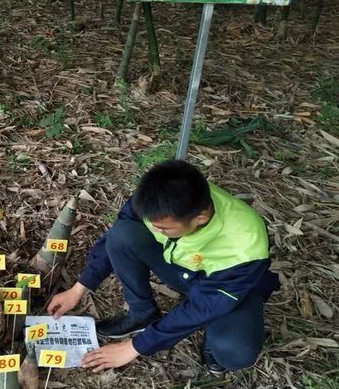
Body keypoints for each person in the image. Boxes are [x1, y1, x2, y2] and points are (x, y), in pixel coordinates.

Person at [47, 160, 279, 375]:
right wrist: (79, 289)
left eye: (164, 229)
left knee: (235, 352)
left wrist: (135, 347)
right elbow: (118, 235)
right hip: (181, 268)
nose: (155, 231)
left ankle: (215, 335)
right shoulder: (156, 198)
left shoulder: (246, 245)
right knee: (123, 234)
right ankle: (141, 314)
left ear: (200, 218)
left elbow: (203, 305)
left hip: (227, 287)